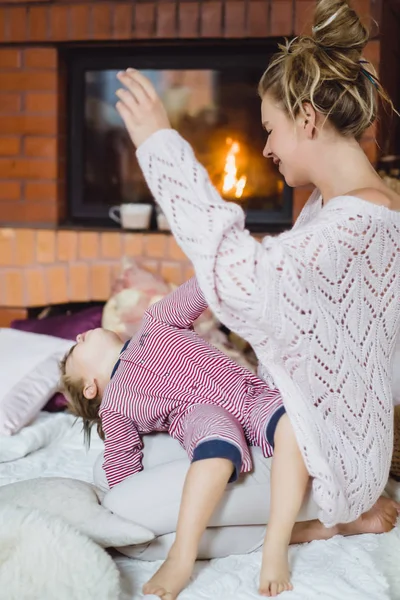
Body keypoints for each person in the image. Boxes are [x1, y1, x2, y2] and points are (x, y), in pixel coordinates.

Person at [114, 0, 400, 597]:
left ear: (307, 118)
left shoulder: (356, 227)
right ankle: (323, 516)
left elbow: (242, 281)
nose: (267, 148)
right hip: (321, 438)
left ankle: (324, 525)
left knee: (125, 509)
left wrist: (161, 147)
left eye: (270, 129)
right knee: (158, 460)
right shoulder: (346, 210)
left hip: (328, 457)